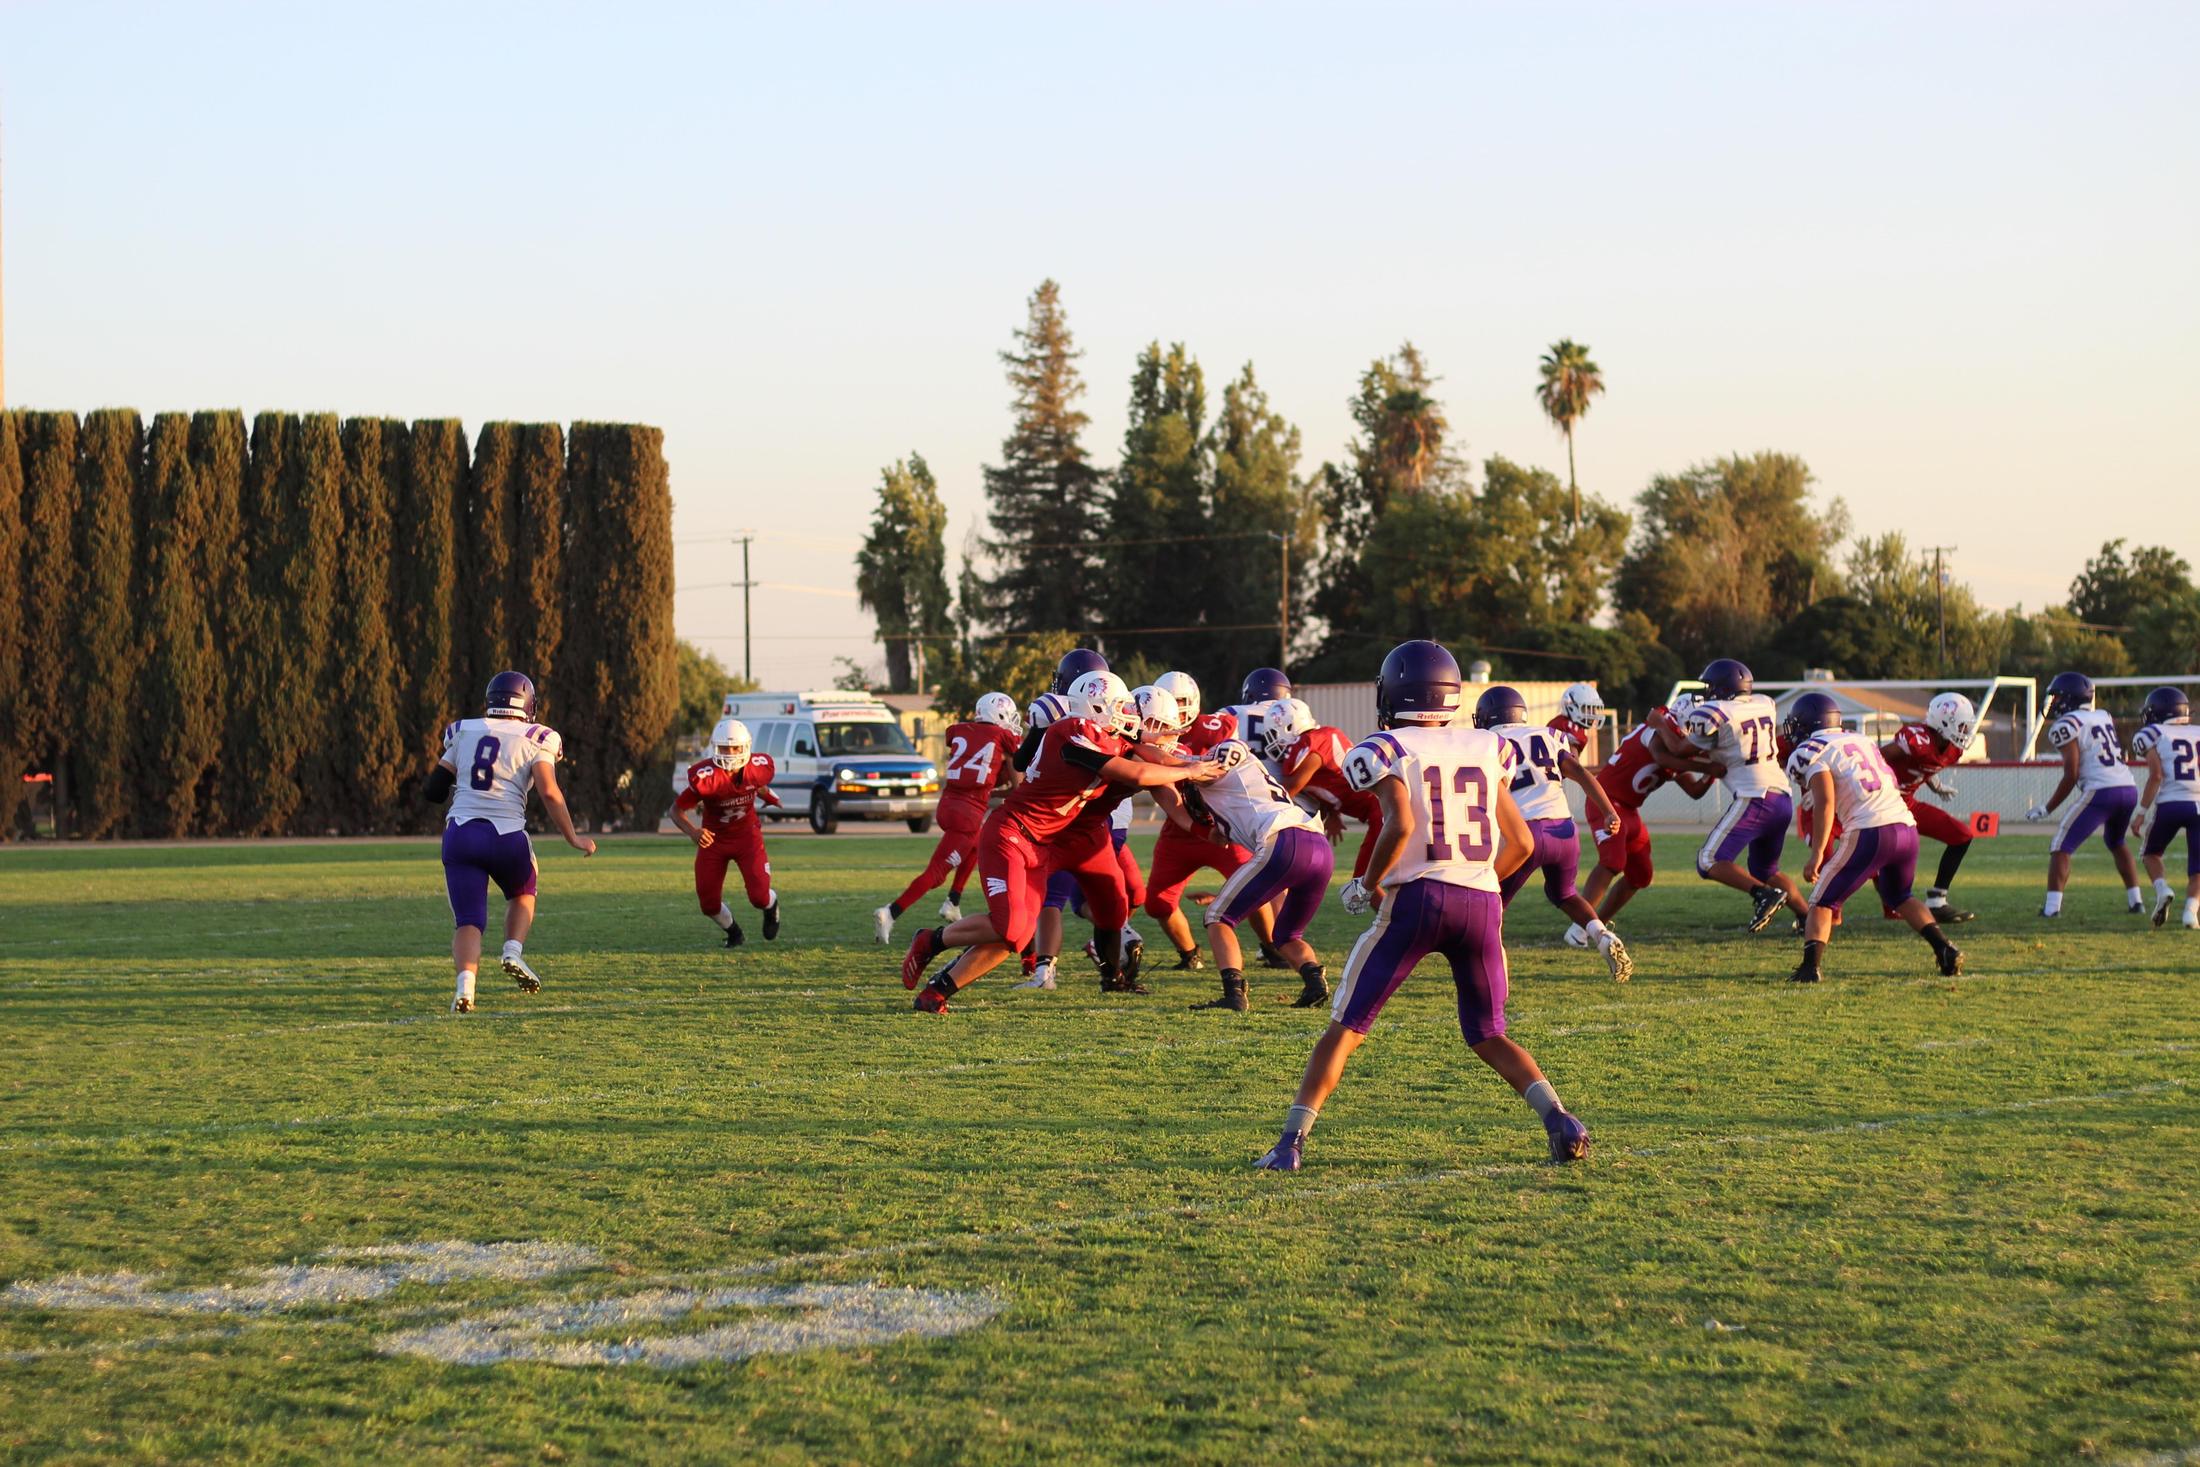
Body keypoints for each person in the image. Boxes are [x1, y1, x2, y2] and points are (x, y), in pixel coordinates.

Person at [1254, 640, 1590, 1173]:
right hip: (1481, 903)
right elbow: (1521, 844)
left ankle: (1290, 1143)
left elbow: (1402, 823)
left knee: (1347, 1026)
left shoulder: (1383, 747)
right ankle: (1561, 1119)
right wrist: (1475, 881)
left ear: (1394, 692)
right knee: (1489, 1032)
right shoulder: (1487, 746)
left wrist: (1366, 883)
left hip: (1418, 900)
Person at [900, 671, 1219, 1012]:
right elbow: (1139, 770)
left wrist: (1200, 776)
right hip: (1013, 832)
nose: (1130, 714)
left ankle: (934, 994)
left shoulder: (1116, 739)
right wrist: (1190, 770)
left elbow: (1155, 759)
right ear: (1097, 707)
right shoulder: (1072, 732)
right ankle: (930, 940)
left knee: (1022, 934)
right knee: (1011, 927)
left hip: (1044, 841)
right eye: (1123, 706)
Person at [428, 670, 595, 1012]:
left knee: (469, 921)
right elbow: (548, 791)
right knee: (522, 892)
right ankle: (512, 951)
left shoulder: (463, 730)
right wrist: (572, 836)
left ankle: (465, 988)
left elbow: (432, 790)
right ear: (529, 705)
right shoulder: (538, 736)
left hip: (462, 833)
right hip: (506, 836)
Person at [1782, 692, 1964, 983]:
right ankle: (1945, 948)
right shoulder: (1861, 740)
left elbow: (1826, 802)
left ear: (1807, 722)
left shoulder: (1811, 750)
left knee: (1821, 900)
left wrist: (1817, 854)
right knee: (1900, 896)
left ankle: (1809, 969)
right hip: (1905, 825)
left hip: (1870, 830)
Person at [1472, 686, 1633, 982]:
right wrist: (1609, 811)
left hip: (1525, 833)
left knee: (1490, 903)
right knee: (1563, 893)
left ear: (1485, 716)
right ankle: (1601, 935)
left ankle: (1495, 976)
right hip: (1563, 829)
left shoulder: (1486, 742)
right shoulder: (1549, 735)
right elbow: (1582, 774)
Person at [1186, 719, 1335, 1012]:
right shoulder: (1236, 798)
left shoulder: (1227, 755)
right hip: (1318, 847)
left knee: (1218, 918)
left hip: (1284, 840)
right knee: (1287, 935)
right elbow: (1261, 882)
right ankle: (1315, 983)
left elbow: (1190, 766)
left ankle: (1234, 994)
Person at [1141, 681, 1281, 972]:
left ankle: (1272, 948)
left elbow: (1226, 765)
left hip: (1223, 826)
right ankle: (1190, 954)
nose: (1175, 710)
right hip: (1180, 830)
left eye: (1180, 701)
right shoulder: (1145, 738)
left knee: (1252, 891)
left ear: (1193, 701)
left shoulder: (1216, 726)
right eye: (1169, 701)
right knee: (1157, 903)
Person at [875, 692, 1022, 942]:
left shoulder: (961, 730)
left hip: (948, 805)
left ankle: (953, 901)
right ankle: (891, 912)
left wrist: (989, 789)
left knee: (978, 844)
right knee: (935, 874)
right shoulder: (1004, 738)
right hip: (967, 815)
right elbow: (1017, 788)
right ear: (999, 715)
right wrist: (1001, 784)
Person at [1565, 700, 1714, 943]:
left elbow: (1694, 790)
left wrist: (1712, 773)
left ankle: (1596, 925)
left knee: (1641, 875)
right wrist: (1709, 762)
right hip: (1606, 802)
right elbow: (1665, 758)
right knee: (1612, 861)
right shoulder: (1659, 729)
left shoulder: (1672, 744)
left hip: (1630, 810)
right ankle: (1579, 926)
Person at [1683, 659, 1807, 932]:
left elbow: (1682, 749)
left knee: (1709, 860)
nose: (1707, 692)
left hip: (1755, 797)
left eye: (1711, 686)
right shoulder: (1764, 703)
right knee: (1765, 871)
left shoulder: (1716, 711)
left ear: (1723, 688)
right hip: (1782, 798)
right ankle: (1808, 918)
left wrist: (1667, 725)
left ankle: (1764, 895)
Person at [2027, 671, 2144, 917]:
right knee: (2116, 841)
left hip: (2102, 791)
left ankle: (2051, 910)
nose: (2054, 703)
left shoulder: (2067, 725)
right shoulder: (2102, 716)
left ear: (2069, 698)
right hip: (2128, 788)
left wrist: (2047, 808)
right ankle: (2137, 902)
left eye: (2057, 697)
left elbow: (2071, 773)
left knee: (2061, 845)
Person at [669, 718, 782, 947]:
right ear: (714, 748)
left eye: (735, 748)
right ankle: (734, 932)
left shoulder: (756, 769)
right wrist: (693, 832)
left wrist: (767, 794)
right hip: (714, 840)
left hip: (746, 837)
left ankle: (772, 907)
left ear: (746, 747)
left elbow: (752, 782)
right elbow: (675, 810)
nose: (730, 754)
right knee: (708, 903)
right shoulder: (706, 777)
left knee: (759, 897)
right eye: (724, 748)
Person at [1880, 692, 1985, 924]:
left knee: (1961, 835)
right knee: (1882, 855)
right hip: (1884, 803)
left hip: (1907, 803)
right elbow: (1877, 758)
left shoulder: (1952, 749)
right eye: (1962, 726)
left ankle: (1937, 901)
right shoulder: (1916, 740)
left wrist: (1936, 785)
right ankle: (1828, 906)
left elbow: (1927, 766)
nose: (1966, 731)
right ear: (1945, 722)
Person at [2129, 685, 2200, 929]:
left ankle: (2162, 890)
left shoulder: (2153, 733)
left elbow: (2156, 775)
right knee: (2198, 865)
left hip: (2171, 803)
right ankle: (2191, 912)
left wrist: (2140, 813)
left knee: (2150, 853)